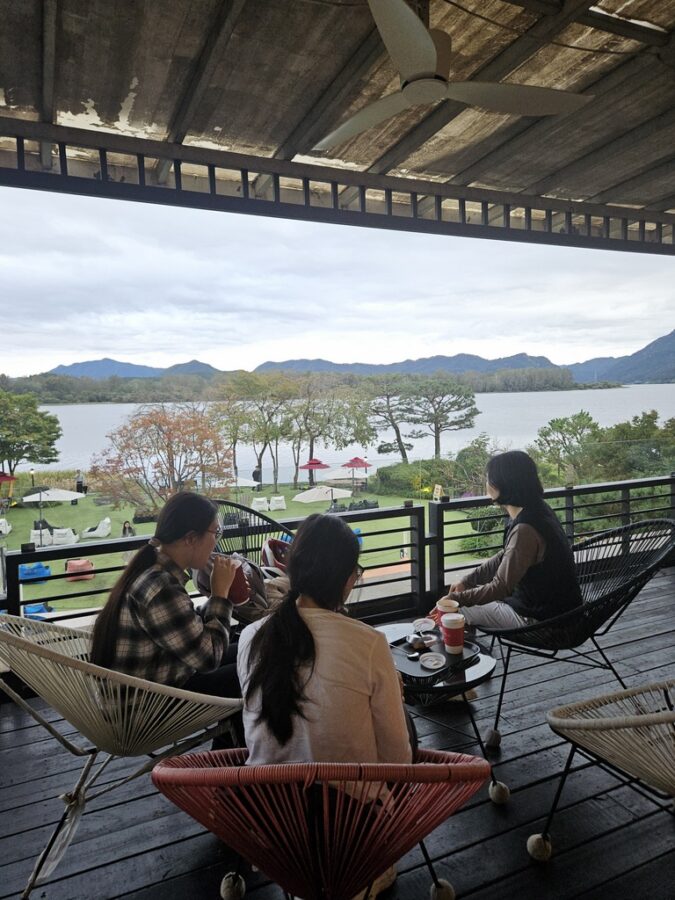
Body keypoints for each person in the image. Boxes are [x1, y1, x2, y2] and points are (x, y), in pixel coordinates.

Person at [237, 513, 412, 766]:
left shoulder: (251, 636)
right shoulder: (370, 643)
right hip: (349, 792)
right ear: (348, 578)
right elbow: (398, 760)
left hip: (266, 790)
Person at [91, 491, 240, 698]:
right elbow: (209, 658)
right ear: (190, 538)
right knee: (258, 667)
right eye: (216, 532)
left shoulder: (152, 566)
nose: (216, 541)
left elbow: (182, 624)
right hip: (149, 706)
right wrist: (220, 595)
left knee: (251, 649)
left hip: (157, 680)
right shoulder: (162, 587)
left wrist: (213, 602)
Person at [442, 450, 582, 630]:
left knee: (455, 611)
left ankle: (464, 649)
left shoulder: (525, 528)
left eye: (489, 479)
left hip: (545, 624)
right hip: (566, 613)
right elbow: (507, 555)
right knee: (466, 599)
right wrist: (467, 581)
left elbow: (500, 587)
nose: (486, 484)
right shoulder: (537, 509)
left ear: (503, 485)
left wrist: (454, 599)